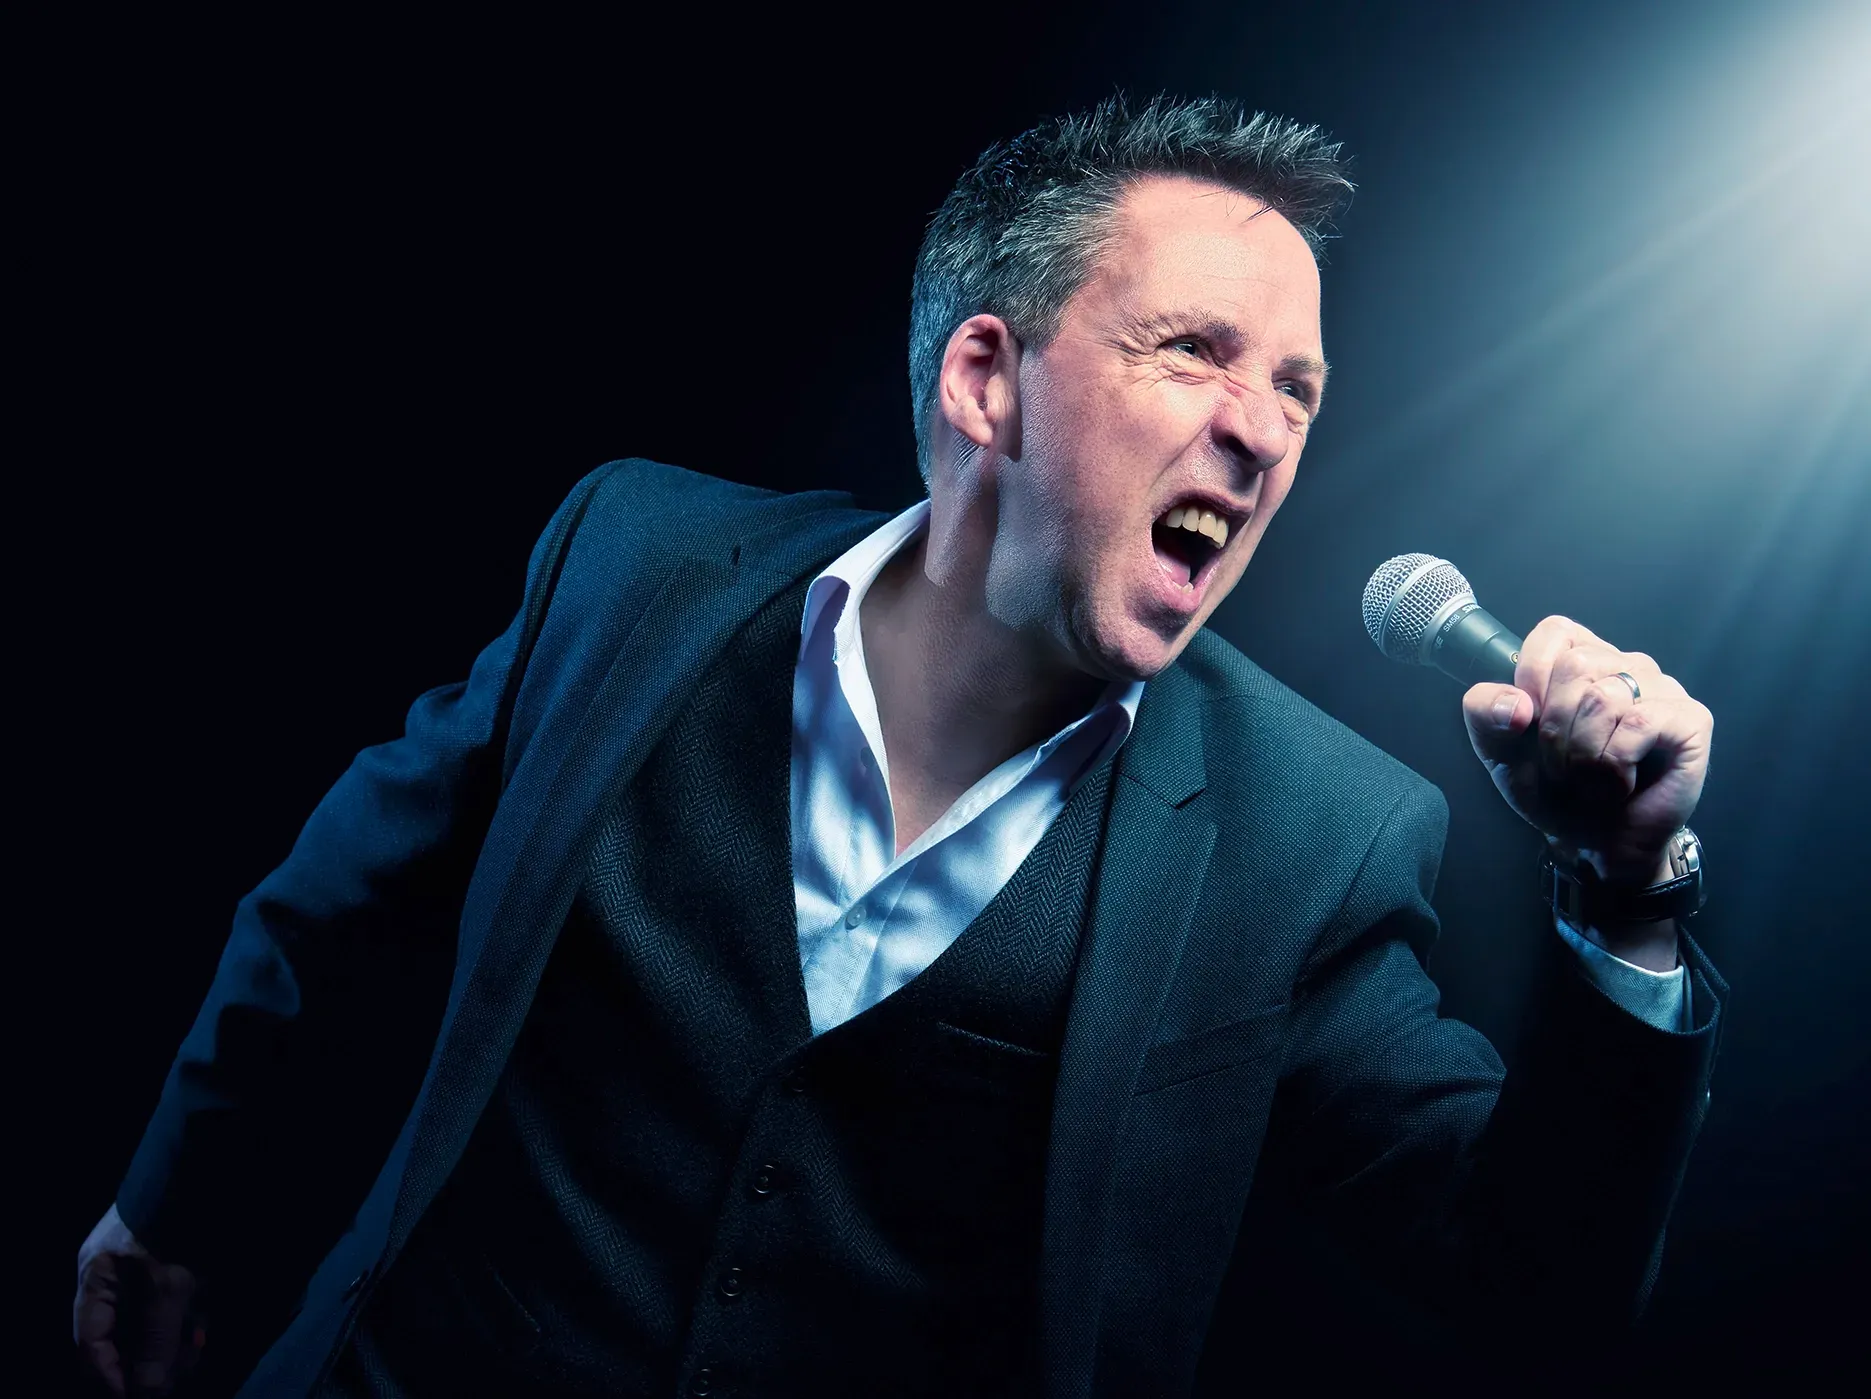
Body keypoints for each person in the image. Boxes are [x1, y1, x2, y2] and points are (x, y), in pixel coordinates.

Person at [74, 94, 1722, 1398]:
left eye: (1298, 385)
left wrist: (1624, 890)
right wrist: (175, 1201)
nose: (1266, 426)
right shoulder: (637, 566)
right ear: (986, 377)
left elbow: (1537, 1297)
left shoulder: (1308, 839)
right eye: (1195, 349)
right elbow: (347, 899)